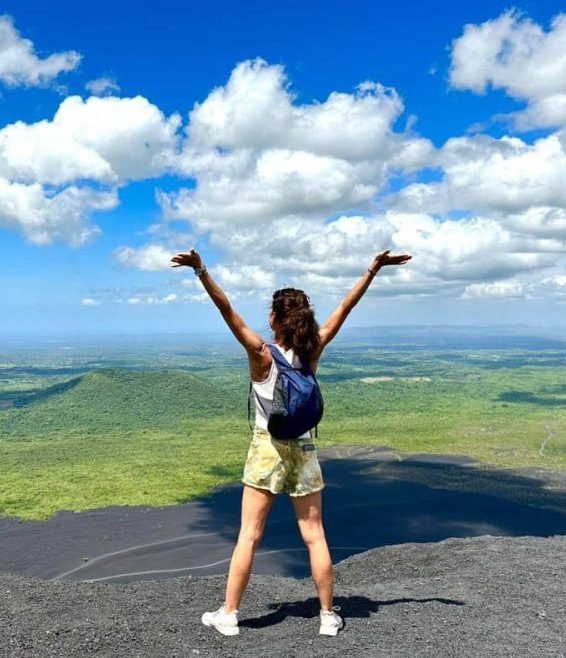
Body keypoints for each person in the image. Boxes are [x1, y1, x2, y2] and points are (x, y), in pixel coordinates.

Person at [171, 247, 412, 636]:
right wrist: (373, 269)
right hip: (304, 449)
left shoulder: (260, 353)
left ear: (274, 318)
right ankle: (328, 616)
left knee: (249, 534)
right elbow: (346, 309)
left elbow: (225, 308)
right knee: (314, 534)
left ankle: (229, 615)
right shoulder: (312, 350)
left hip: (267, 448)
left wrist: (200, 270)